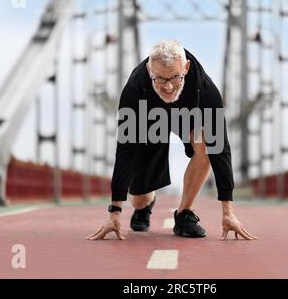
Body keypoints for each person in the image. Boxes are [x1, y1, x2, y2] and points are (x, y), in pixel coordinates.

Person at [86, 40, 257, 241]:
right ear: (149, 70)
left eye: (175, 77)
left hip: (188, 118)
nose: (168, 86)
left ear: (186, 68)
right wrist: (115, 212)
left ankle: (184, 214)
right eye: (159, 79)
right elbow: (125, 150)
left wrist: (228, 211)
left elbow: (220, 148)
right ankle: (146, 203)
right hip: (148, 121)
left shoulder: (206, 90)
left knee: (208, 143)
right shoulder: (134, 89)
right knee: (139, 200)